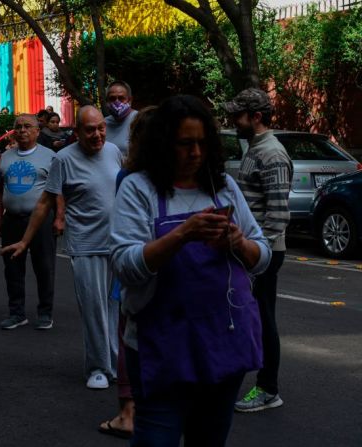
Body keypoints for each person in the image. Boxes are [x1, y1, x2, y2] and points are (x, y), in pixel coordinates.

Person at [110, 95, 271, 446]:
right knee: (156, 437)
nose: (195, 153)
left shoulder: (223, 187)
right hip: (161, 346)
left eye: (201, 143)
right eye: (185, 144)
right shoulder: (139, 189)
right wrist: (183, 234)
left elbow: (263, 256)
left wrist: (238, 243)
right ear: (164, 144)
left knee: (209, 439)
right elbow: (125, 265)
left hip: (222, 341)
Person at [2, 106, 123, 389]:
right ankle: (97, 368)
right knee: (93, 308)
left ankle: (117, 364)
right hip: (85, 245)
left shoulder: (114, 151)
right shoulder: (64, 159)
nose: (97, 135)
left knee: (115, 308)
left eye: (101, 128)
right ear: (77, 132)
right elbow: (45, 201)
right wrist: (26, 239)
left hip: (116, 244)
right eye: (90, 130)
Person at [223, 88, 293, 413]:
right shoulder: (254, 148)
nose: (233, 121)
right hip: (252, 249)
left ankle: (268, 389)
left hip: (264, 252)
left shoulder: (273, 155)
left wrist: (256, 255)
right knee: (250, 315)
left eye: (238, 115)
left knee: (263, 318)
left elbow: (278, 215)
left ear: (256, 118)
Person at [98, 106, 157, 440]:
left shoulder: (130, 176)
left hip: (136, 269)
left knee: (129, 335)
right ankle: (132, 409)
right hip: (140, 267)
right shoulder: (136, 177)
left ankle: (128, 411)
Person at [0, 114, 62, 330]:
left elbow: (58, 191)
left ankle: (45, 312)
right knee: (12, 268)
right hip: (12, 220)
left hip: (41, 221)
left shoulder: (50, 156)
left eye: (27, 126)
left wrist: (60, 217)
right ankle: (16, 313)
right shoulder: (6, 157)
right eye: (18, 127)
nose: (22, 130)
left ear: (37, 131)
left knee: (44, 267)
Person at [104, 81, 138, 158]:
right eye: (112, 98)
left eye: (121, 98)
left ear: (130, 100)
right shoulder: (103, 124)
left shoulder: (139, 119)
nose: (117, 102)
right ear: (107, 102)